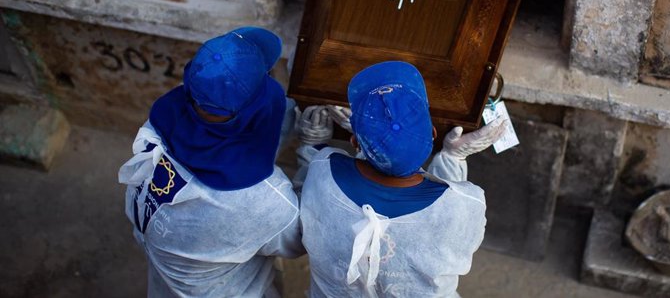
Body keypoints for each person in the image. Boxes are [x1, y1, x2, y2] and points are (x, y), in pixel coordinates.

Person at [118, 27, 303, 298]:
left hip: (166, 275)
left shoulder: (156, 128)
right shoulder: (264, 201)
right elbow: (298, 239)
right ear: (256, 110)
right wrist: (312, 152)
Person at [296, 61, 507, 297]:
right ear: (433, 134)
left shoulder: (323, 170)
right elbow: (442, 213)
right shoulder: (467, 204)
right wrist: (452, 158)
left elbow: (306, 205)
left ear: (354, 142)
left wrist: (318, 143)